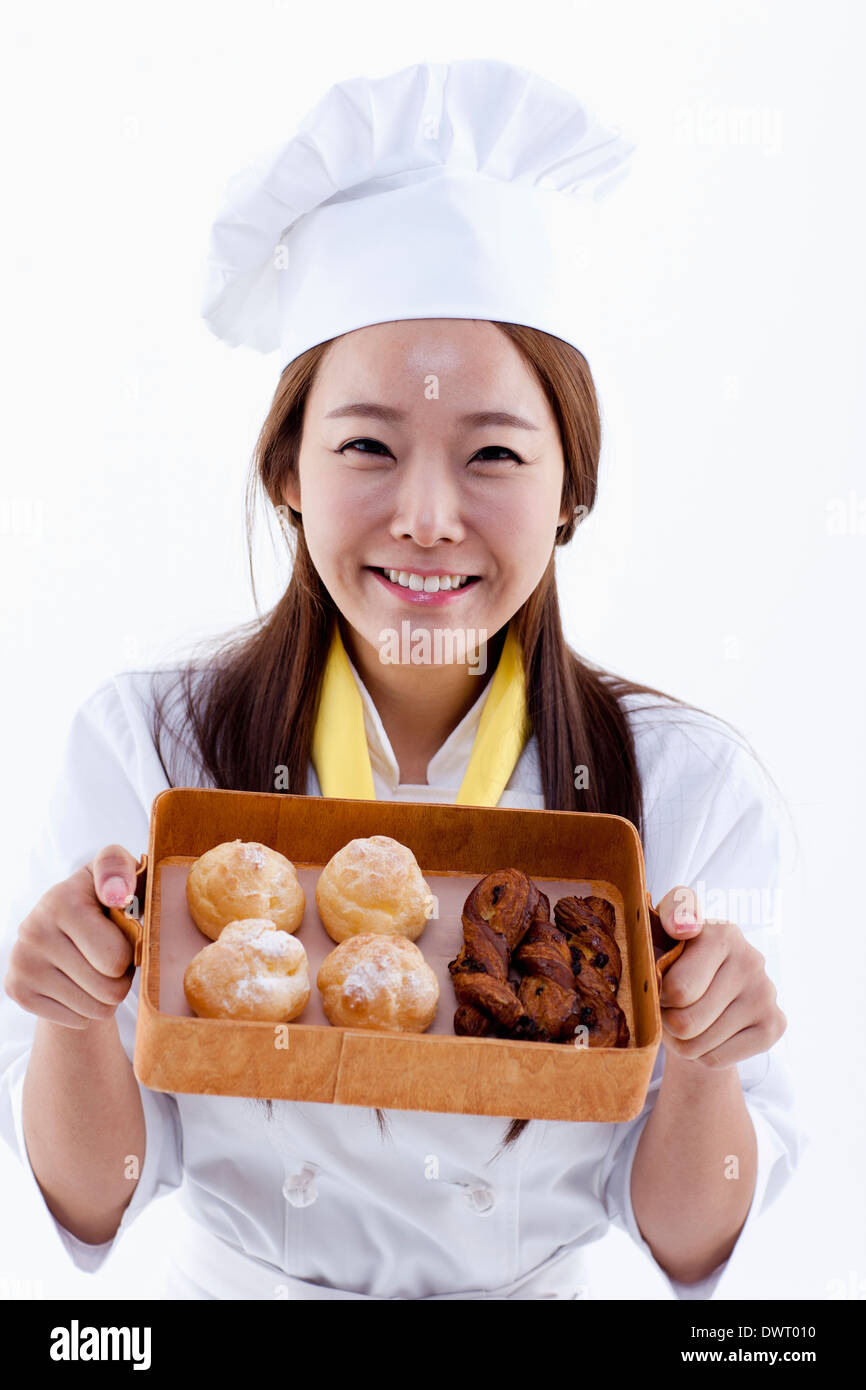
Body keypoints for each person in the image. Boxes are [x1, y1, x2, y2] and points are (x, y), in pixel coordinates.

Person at [0, 58, 802, 1300]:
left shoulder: (682, 789)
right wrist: (65, 1013)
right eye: (367, 444)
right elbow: (93, 1193)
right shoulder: (144, 750)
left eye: (491, 452)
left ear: (570, 492)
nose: (426, 517)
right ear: (287, 472)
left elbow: (691, 1242)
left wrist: (702, 1058)